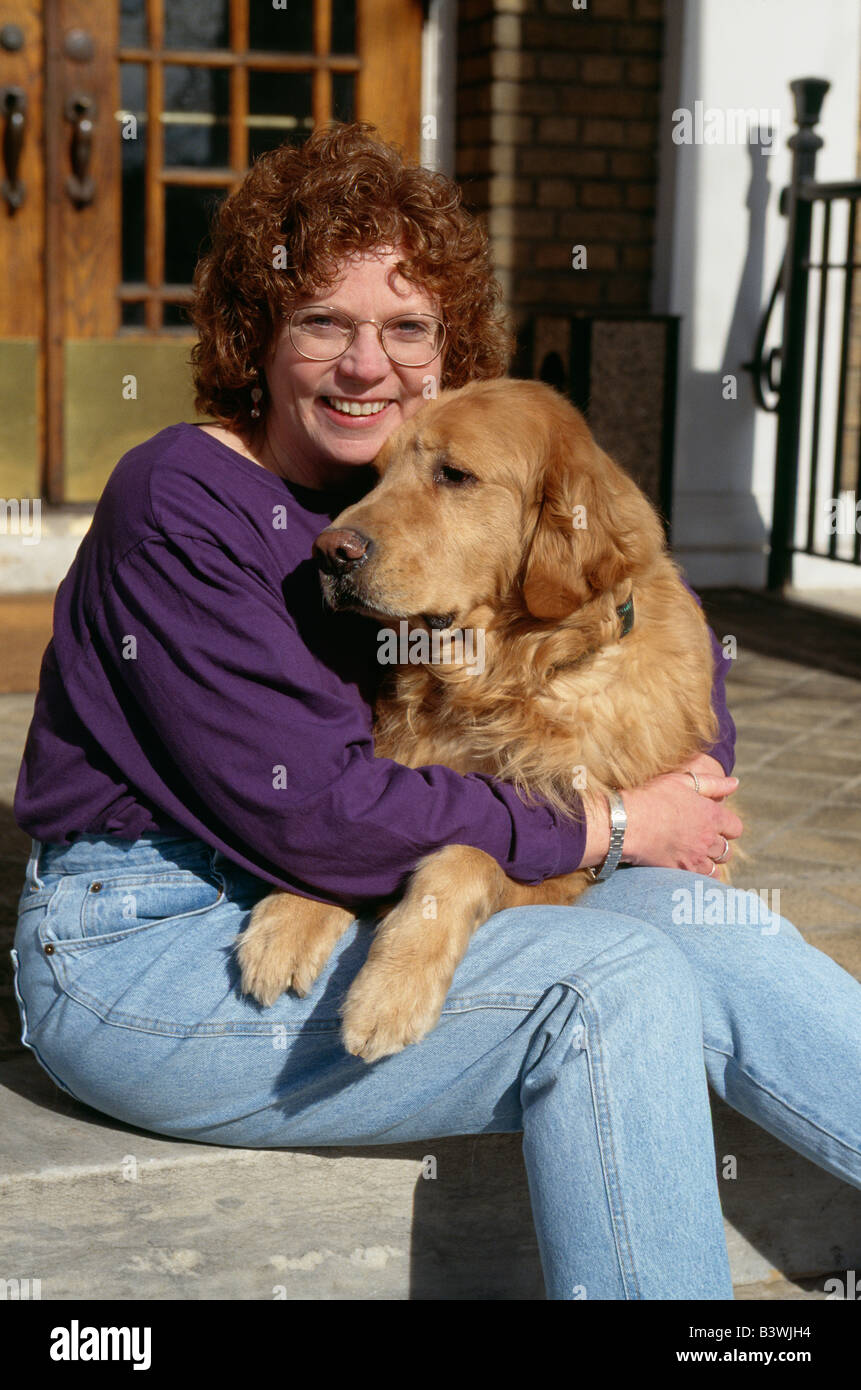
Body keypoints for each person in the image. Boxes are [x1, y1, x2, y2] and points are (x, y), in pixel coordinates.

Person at [11, 123, 860, 1301]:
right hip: (154, 942)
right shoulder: (182, 502)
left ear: (447, 352)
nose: (368, 364)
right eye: (324, 323)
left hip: (359, 885)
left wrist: (669, 752)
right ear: (256, 337)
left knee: (714, 928)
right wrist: (610, 826)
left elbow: (631, 599)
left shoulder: (395, 491)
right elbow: (315, 815)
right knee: (612, 983)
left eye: (406, 328)